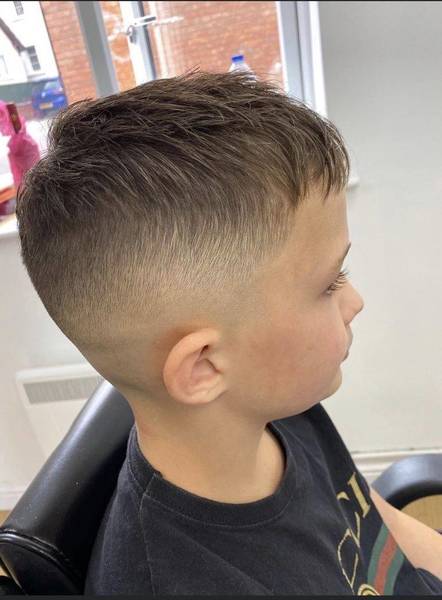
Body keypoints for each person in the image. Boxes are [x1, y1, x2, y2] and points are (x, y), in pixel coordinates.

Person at [15, 69, 442, 595]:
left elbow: (377, 524)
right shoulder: (181, 583)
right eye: (330, 283)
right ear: (205, 367)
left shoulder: (278, 406)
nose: (355, 302)